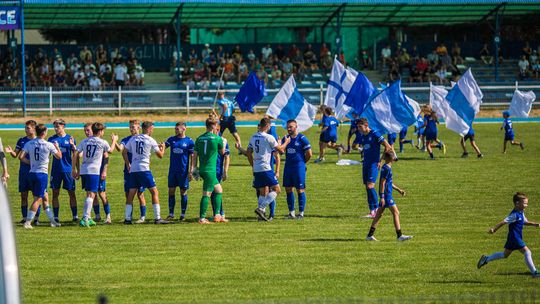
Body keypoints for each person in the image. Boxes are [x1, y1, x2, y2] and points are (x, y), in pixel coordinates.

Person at [477, 192, 540, 278]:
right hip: (515, 238)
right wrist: (494, 229)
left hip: (513, 238)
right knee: (527, 252)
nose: (526, 205)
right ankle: (535, 272)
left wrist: (534, 224)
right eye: (525, 203)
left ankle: (486, 259)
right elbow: (504, 222)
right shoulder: (514, 214)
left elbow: (524, 221)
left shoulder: (521, 212)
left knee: (505, 255)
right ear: (517, 203)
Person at [240, 117, 290, 221]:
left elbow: (248, 153)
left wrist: (253, 165)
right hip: (266, 168)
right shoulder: (269, 137)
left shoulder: (253, 137)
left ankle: (260, 217)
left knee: (262, 191)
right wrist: (286, 142)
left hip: (257, 168)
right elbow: (280, 150)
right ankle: (261, 208)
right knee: (277, 189)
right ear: (267, 126)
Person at [122, 121, 168, 224]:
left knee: (131, 194)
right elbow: (160, 155)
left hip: (133, 170)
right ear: (148, 129)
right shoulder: (150, 140)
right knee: (154, 192)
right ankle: (158, 218)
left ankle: (127, 219)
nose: (152, 131)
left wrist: (128, 164)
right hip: (144, 169)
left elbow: (124, 151)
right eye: (152, 129)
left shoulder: (133, 138)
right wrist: (163, 148)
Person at [73, 123, 118, 227]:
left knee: (90, 194)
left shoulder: (85, 141)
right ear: (100, 131)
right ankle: (85, 218)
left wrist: (74, 169)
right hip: (94, 171)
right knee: (92, 194)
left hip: (84, 170)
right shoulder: (102, 142)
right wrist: (114, 140)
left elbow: (76, 153)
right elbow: (110, 151)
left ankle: (88, 217)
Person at [19, 124, 62, 229]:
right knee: (38, 199)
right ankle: (28, 222)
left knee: (45, 197)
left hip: (31, 173)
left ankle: (53, 221)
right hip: (41, 174)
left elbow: (21, 157)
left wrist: (31, 163)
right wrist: (57, 147)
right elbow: (59, 156)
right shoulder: (49, 145)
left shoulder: (29, 143)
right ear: (44, 133)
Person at [366, 152, 412, 241]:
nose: (395, 157)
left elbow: (389, 182)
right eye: (393, 156)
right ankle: (399, 235)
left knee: (379, 215)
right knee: (396, 213)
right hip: (387, 195)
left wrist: (398, 190)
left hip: (387, 194)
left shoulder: (386, 167)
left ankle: (369, 235)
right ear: (390, 158)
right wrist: (382, 197)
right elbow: (382, 182)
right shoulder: (386, 168)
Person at [191, 117, 226, 224]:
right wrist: (224, 142)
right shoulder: (217, 138)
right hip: (210, 170)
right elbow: (222, 152)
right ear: (214, 126)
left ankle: (217, 215)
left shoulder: (199, 138)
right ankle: (202, 218)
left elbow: (194, 155)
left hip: (202, 169)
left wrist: (193, 168)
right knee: (206, 194)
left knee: (219, 190)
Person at [355, 118, 393, 218]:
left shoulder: (375, 134)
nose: (358, 129)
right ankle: (372, 211)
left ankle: (377, 209)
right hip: (365, 164)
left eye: (360, 126)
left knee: (370, 186)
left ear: (366, 125)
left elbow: (388, 146)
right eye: (358, 127)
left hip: (374, 164)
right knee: (367, 187)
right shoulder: (363, 136)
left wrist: (380, 161)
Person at [5, 120, 41, 224]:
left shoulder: (39, 141)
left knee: (36, 196)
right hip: (24, 173)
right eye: (25, 128)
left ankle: (36, 219)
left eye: (28, 128)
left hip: (35, 172)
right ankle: (25, 218)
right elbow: (15, 155)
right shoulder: (21, 140)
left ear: (34, 129)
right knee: (23, 195)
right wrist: (11, 152)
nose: (26, 130)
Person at [115, 120, 148, 223]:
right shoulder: (126, 139)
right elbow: (121, 149)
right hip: (128, 171)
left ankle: (142, 217)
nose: (131, 129)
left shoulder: (143, 139)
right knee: (128, 193)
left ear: (139, 128)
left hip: (140, 170)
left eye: (133, 127)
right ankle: (129, 216)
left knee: (140, 194)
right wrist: (114, 142)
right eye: (130, 127)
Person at [48, 119, 78, 223]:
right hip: (56, 170)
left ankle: (75, 216)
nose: (56, 128)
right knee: (55, 193)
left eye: (58, 126)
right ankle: (56, 217)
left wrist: (75, 169)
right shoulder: (51, 139)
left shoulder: (70, 138)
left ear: (63, 126)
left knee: (71, 193)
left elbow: (75, 154)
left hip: (68, 170)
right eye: (54, 127)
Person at [164, 121, 195, 221]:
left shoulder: (190, 142)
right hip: (172, 171)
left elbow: (192, 157)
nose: (176, 131)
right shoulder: (172, 139)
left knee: (183, 192)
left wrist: (192, 171)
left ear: (184, 129)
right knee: (171, 191)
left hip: (183, 172)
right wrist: (160, 146)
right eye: (175, 129)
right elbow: (164, 146)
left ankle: (182, 214)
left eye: (178, 129)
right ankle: (171, 214)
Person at [282, 120, 312, 219]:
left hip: (298, 167)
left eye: (291, 127)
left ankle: (301, 213)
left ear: (296, 126)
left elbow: (309, 154)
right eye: (288, 127)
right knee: (288, 189)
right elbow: (281, 150)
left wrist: (302, 164)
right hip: (288, 167)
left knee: (300, 189)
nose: (289, 129)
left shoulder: (302, 139)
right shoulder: (285, 138)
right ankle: (291, 213)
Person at [211, 127, 230, 222]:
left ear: (217, 130)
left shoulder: (223, 141)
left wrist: (225, 171)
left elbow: (227, 157)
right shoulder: (209, 139)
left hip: (217, 170)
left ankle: (221, 214)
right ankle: (216, 214)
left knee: (216, 191)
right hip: (209, 170)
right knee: (211, 192)